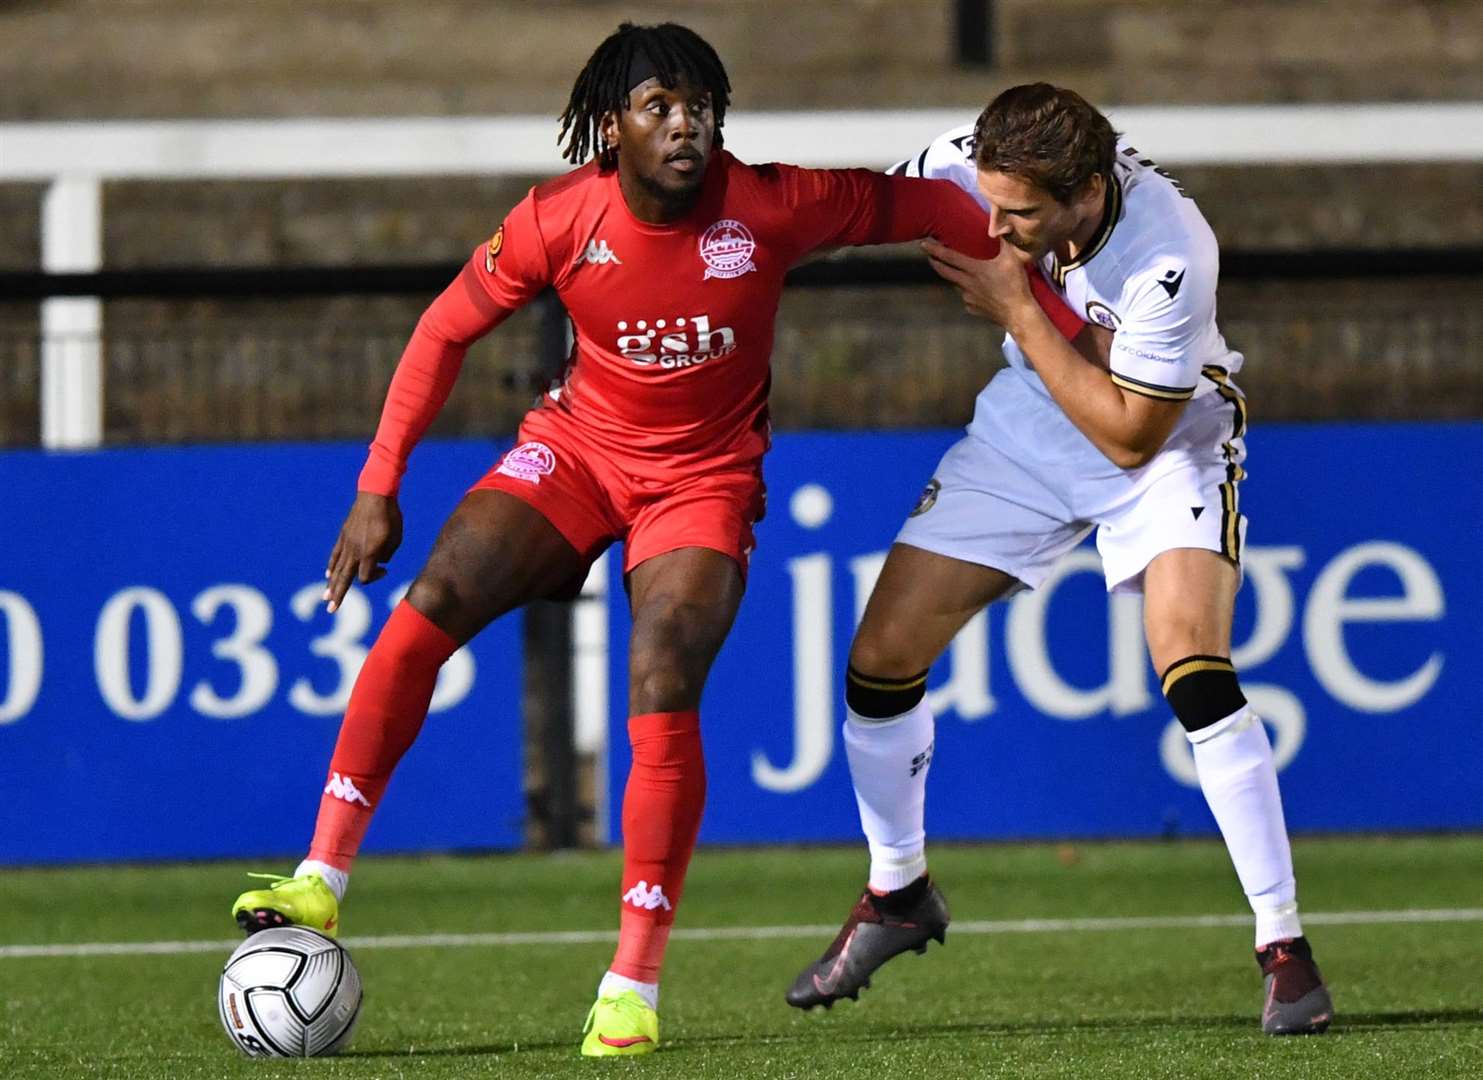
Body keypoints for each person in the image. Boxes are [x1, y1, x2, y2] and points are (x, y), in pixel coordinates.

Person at [229, 28, 1088, 1057]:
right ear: (610, 127)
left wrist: (1057, 317)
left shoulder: (771, 204)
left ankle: (630, 984)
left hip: (702, 481)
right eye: (659, 108)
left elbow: (933, 205)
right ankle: (321, 882)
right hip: (578, 451)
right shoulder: (557, 220)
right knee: (434, 601)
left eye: (701, 107)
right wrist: (378, 487)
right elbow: (442, 330)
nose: (687, 126)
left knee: (663, 670)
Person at [785, 84, 1333, 1037]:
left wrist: (1015, 304)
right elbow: (868, 205)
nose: (996, 223)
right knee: (879, 660)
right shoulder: (972, 160)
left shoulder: (1169, 253)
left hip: (1165, 442)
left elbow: (1128, 435)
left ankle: (1283, 948)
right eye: (990, 202)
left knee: (1191, 665)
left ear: (1086, 189)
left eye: (1021, 215)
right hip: (1033, 426)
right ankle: (897, 890)